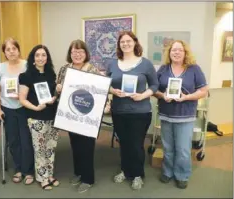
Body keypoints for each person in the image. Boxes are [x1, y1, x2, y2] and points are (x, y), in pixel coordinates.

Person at [105, 31, 159, 190]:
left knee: (136, 144)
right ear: (119, 45)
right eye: (122, 42)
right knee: (124, 143)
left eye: (129, 41)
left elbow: (155, 86)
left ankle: (137, 174)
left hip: (140, 112)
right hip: (119, 111)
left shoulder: (146, 64)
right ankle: (125, 170)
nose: (126, 44)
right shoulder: (112, 64)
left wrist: (143, 95)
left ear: (135, 43)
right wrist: (112, 91)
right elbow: (105, 84)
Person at [154, 40, 208, 189]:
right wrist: (162, 95)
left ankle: (182, 175)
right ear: (169, 53)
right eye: (173, 50)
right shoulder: (163, 69)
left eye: (179, 50)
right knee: (167, 147)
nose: (176, 52)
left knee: (183, 149)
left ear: (185, 53)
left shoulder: (194, 69)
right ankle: (167, 171)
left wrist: (186, 97)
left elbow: (203, 90)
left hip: (185, 116)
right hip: (166, 114)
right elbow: (154, 89)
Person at [56, 39, 100, 193]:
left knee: (87, 147)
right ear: (70, 53)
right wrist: (58, 88)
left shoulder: (92, 70)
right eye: (74, 52)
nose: (77, 54)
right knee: (75, 145)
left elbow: (99, 92)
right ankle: (78, 172)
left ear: (86, 53)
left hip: (87, 116)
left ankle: (88, 178)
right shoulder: (64, 69)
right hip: (70, 114)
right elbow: (58, 88)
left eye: (80, 51)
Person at [18, 45, 59, 190]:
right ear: (33, 59)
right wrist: (36, 107)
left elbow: (53, 93)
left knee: (50, 148)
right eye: (37, 55)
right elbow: (22, 99)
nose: (41, 58)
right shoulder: (26, 76)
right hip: (36, 117)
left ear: (47, 58)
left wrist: (54, 97)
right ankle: (42, 178)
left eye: (43, 55)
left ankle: (49, 175)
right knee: (40, 149)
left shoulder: (51, 74)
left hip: (52, 116)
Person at [0, 38, 34, 185]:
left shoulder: (27, 65)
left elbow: (33, 87)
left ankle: (28, 170)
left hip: (24, 107)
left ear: (18, 50)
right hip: (7, 108)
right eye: (8, 49)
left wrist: (23, 96)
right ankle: (18, 169)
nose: (11, 52)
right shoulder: (0, 67)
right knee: (13, 141)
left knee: (26, 141)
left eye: (14, 48)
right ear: (4, 52)